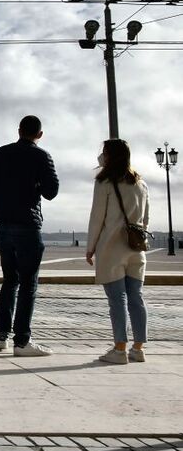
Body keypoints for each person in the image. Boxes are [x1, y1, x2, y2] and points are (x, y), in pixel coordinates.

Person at [0, 115, 59, 356]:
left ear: (19, 130)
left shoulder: (1, 153)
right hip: (28, 224)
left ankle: (1, 337)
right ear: (39, 135)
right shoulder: (42, 156)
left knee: (9, 280)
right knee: (29, 283)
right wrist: (34, 185)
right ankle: (22, 341)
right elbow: (52, 192)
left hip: (3, 225)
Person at [86, 139, 150, 364]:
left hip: (112, 249)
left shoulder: (104, 182)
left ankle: (119, 350)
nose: (101, 156)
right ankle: (138, 348)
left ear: (111, 156)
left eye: (104, 152)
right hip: (136, 249)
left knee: (117, 300)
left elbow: (97, 218)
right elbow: (145, 219)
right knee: (136, 298)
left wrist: (90, 247)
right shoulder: (141, 183)